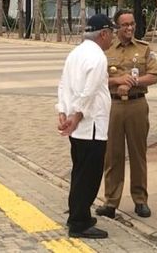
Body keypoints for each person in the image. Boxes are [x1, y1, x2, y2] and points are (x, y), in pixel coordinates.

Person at [56, 14, 117, 239]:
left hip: (77, 127)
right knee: (89, 176)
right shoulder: (98, 57)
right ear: (103, 33)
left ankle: (78, 214)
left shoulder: (75, 53)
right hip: (90, 125)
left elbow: (63, 84)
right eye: (111, 33)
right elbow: (89, 92)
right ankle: (79, 223)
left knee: (79, 172)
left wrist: (62, 111)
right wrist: (76, 115)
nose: (113, 38)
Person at [96, 9, 157, 219]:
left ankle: (140, 200)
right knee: (112, 155)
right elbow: (97, 80)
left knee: (138, 154)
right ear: (116, 27)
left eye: (132, 24)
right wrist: (117, 81)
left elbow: (153, 75)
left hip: (136, 105)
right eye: (125, 25)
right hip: (113, 106)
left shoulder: (143, 48)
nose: (130, 28)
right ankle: (111, 201)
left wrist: (133, 82)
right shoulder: (105, 51)